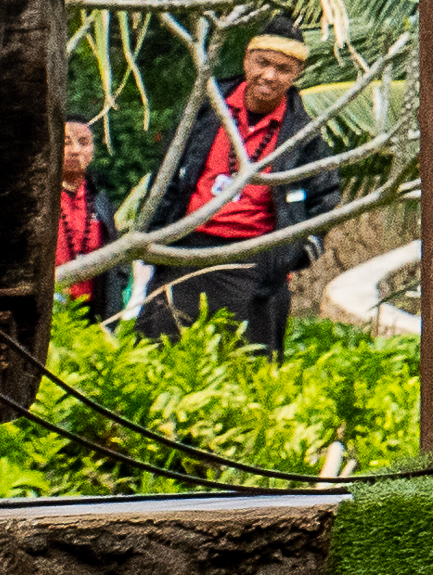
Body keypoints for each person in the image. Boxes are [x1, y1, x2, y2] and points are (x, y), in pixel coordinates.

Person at [135, 28, 331, 352]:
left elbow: (325, 199)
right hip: (185, 251)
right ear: (246, 60)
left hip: (254, 267)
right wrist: (155, 233)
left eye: (283, 69)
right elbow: (167, 174)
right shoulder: (205, 109)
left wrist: (289, 257)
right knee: (155, 358)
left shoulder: (304, 133)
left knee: (245, 374)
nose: (269, 75)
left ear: (298, 74)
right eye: (262, 62)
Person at [55, 114, 101, 319]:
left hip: (92, 309)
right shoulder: (39, 200)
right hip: (51, 304)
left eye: (84, 143)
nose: (75, 150)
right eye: (66, 142)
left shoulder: (101, 203)